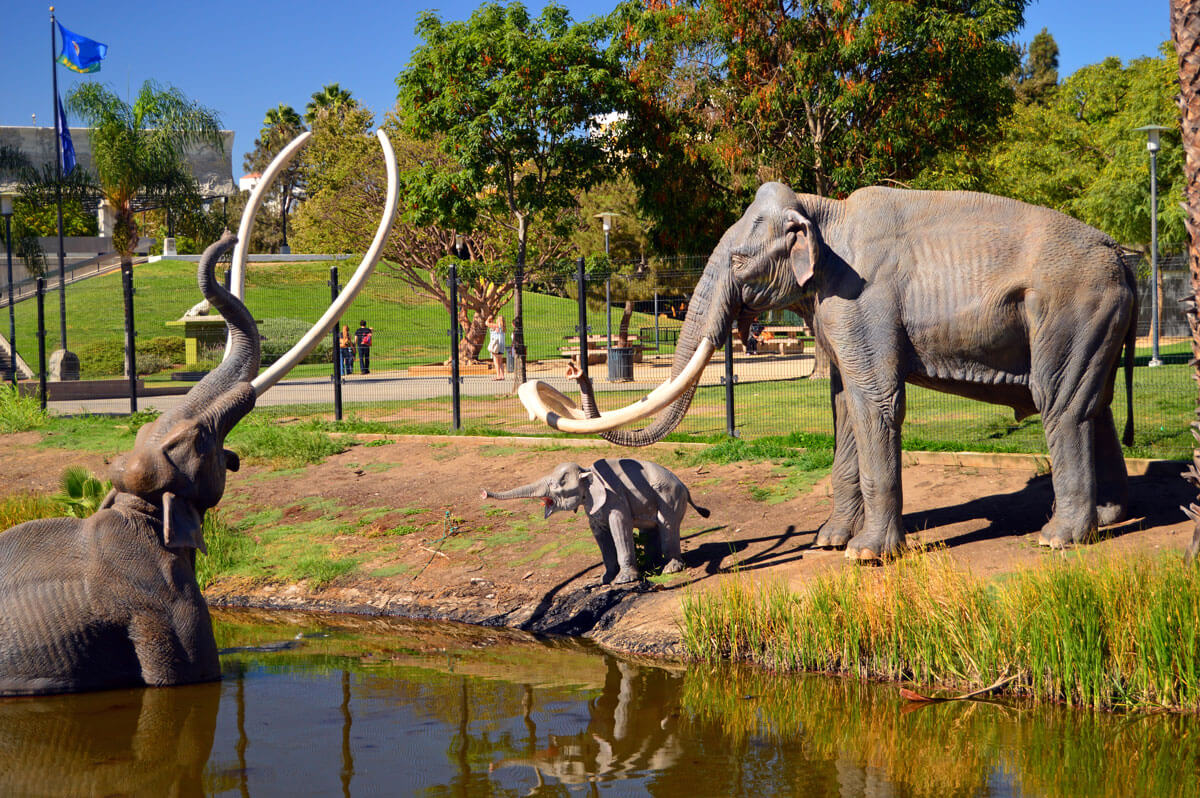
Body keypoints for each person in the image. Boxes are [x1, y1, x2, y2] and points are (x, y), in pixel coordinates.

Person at [486, 315, 507, 380]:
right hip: (501, 346)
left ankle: (498, 375)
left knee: (496, 361)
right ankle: (502, 375)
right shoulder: (503, 328)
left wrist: (488, 318)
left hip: (496, 345)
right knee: (500, 361)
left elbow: (486, 323)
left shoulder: (496, 326)